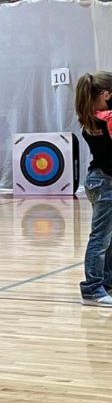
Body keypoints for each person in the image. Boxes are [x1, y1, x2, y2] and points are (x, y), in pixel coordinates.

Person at [74, 71, 112, 306]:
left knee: (108, 237)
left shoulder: (92, 117)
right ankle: (92, 290)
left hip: (99, 180)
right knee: (100, 238)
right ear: (105, 94)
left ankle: (106, 281)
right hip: (105, 183)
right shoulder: (104, 119)